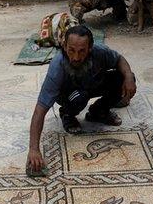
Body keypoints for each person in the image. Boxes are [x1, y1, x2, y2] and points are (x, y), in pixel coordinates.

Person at [26, 25, 137, 173]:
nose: (76, 57)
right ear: (64, 46)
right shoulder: (57, 66)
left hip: (92, 84)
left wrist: (129, 77)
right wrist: (34, 149)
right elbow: (40, 110)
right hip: (70, 95)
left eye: (81, 51)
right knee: (79, 97)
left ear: (90, 48)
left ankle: (99, 111)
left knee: (122, 78)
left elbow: (119, 59)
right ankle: (67, 114)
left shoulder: (100, 52)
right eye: (71, 50)